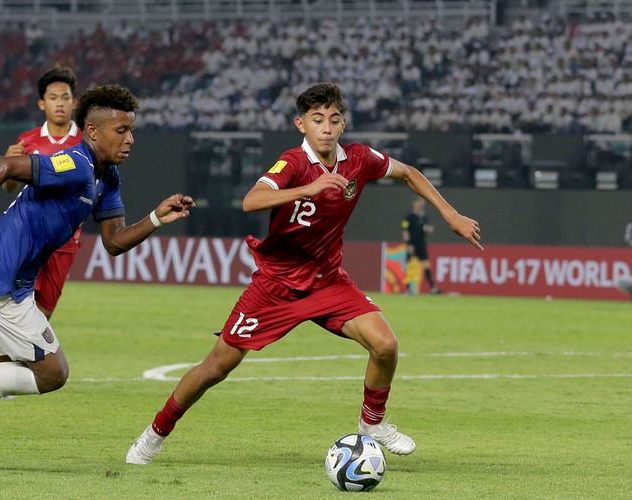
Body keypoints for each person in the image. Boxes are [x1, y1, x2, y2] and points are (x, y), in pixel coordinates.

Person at [125, 82, 482, 465]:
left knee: (386, 345)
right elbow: (252, 201)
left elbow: (408, 173)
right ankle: (154, 434)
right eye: (317, 120)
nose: (326, 128)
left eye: (333, 120)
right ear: (301, 125)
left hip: (328, 281)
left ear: (343, 124)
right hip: (275, 286)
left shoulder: (359, 159)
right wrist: (306, 189)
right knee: (217, 367)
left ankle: (371, 426)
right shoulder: (293, 162)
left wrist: (450, 214)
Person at [0, 84, 195, 474]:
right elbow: (6, 166)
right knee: (52, 373)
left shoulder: (106, 176)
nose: (130, 139)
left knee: (2, 375)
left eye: (131, 130)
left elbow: (113, 241)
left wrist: (157, 218)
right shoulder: (75, 162)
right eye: (121, 130)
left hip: (3, 273)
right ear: (93, 132)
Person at [3, 65, 83, 320]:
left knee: (44, 312)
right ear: (41, 104)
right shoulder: (27, 141)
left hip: (65, 240)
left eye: (65, 97)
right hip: (30, 234)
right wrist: (8, 162)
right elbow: (9, 187)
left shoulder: (85, 142)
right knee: (18, 304)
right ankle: (12, 358)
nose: (59, 104)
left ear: (75, 103)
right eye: (53, 98)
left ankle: (20, 358)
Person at [402, 197, 440, 294]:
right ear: (415, 204)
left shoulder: (424, 217)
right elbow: (405, 232)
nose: (422, 205)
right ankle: (407, 289)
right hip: (412, 246)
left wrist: (429, 229)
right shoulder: (408, 218)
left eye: (423, 203)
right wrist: (409, 244)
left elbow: (426, 229)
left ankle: (433, 288)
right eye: (420, 203)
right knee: (410, 267)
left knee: (426, 266)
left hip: (421, 245)